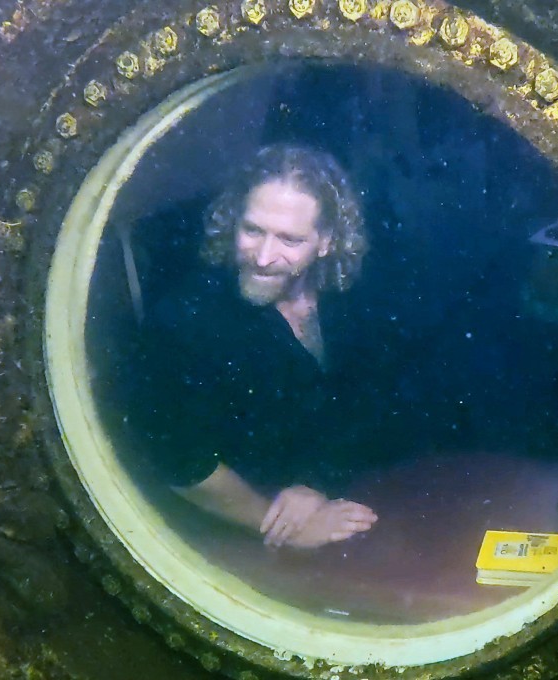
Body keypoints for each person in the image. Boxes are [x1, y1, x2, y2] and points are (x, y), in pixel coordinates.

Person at [135, 144, 386, 549]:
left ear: (326, 242)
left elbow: (371, 398)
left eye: (289, 239)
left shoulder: (350, 298)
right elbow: (181, 464)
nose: (265, 257)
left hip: (342, 495)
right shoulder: (184, 321)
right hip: (227, 537)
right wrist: (281, 527)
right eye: (252, 230)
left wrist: (314, 484)